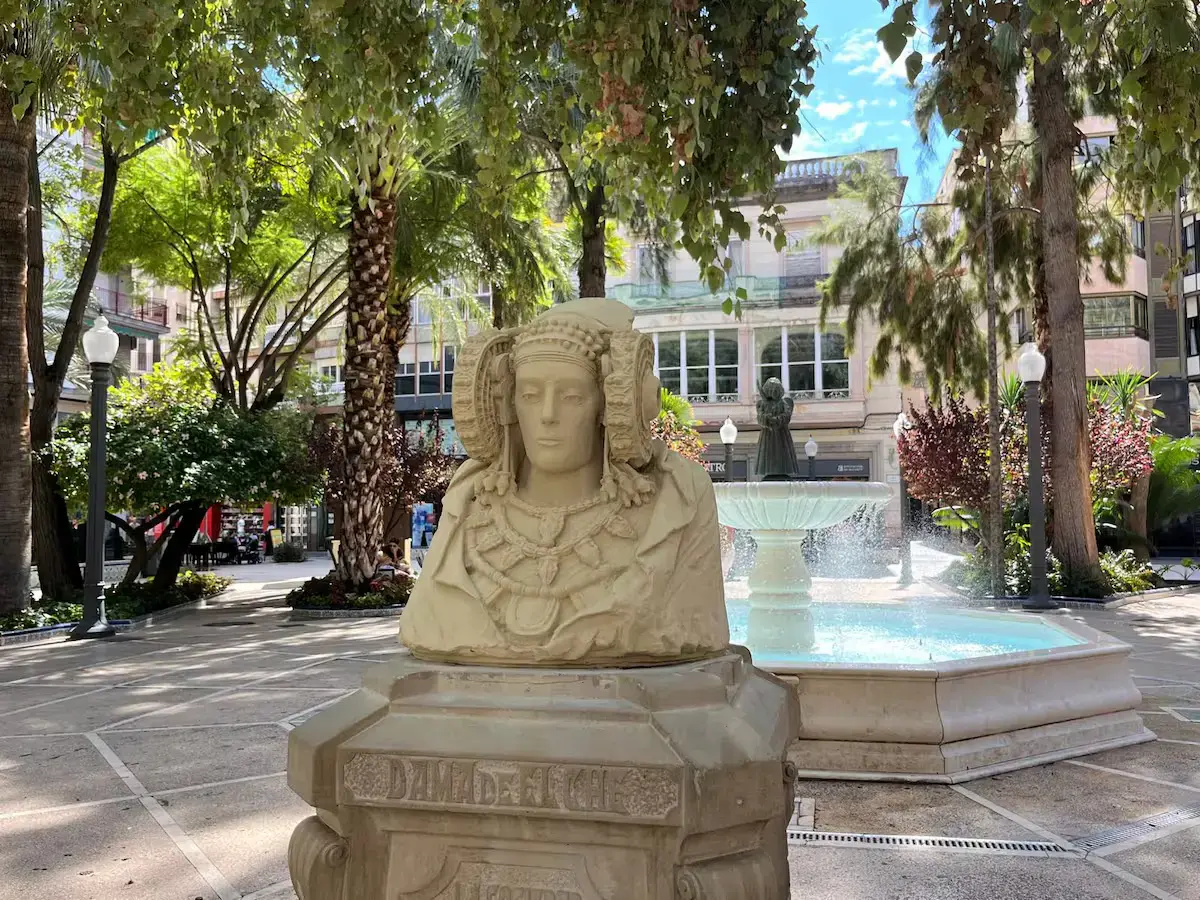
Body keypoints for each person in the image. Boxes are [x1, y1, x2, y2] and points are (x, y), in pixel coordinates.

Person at [399, 298, 729, 667]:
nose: (548, 415)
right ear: (506, 403)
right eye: (530, 395)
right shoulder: (467, 501)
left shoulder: (677, 499)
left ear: (611, 405)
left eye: (572, 396)